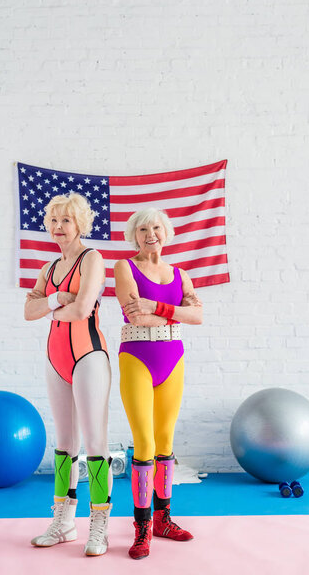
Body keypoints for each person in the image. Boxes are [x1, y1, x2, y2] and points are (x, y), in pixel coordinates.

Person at [24, 193, 112, 556]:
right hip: (55, 357)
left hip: (88, 355)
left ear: (80, 225)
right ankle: (64, 521)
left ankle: (100, 527)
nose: (58, 228)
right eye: (54, 221)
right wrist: (58, 300)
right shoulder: (49, 268)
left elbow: (83, 310)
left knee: (95, 444)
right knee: (64, 445)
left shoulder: (92, 258)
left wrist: (50, 304)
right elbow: (29, 311)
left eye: (66, 221)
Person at [114, 207, 202, 560]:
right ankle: (143, 527)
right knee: (144, 441)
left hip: (173, 361)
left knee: (165, 439)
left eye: (156, 228)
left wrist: (158, 307)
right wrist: (174, 310)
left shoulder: (180, 273)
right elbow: (135, 313)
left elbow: (197, 315)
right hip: (137, 358)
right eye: (142, 229)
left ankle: (164, 519)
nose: (150, 234)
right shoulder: (125, 267)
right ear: (134, 235)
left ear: (166, 233)